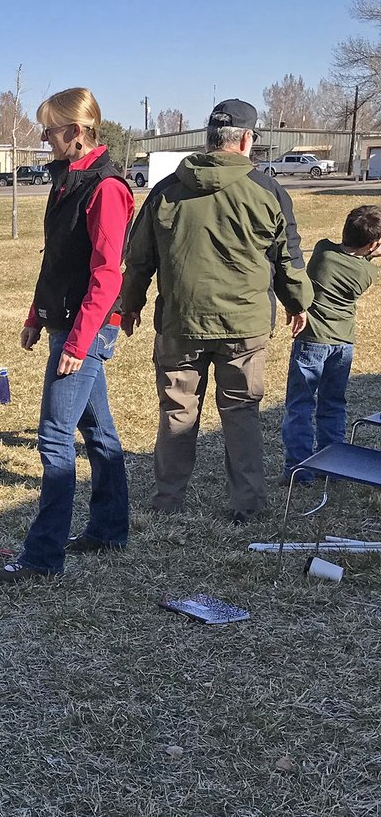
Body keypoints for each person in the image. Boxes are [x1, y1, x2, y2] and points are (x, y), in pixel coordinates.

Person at [121, 99, 314, 524]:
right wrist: (298, 303)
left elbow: (138, 260)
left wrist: (129, 306)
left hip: (179, 322)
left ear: (208, 140)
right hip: (243, 327)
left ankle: (168, 499)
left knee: (177, 411)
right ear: (247, 139)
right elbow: (288, 257)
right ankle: (247, 503)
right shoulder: (267, 191)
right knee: (242, 412)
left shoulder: (166, 189)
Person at [0, 88, 135, 585]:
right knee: (98, 431)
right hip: (65, 321)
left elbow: (106, 274)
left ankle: (42, 556)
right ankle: (110, 528)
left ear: (76, 132)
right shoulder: (67, 181)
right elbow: (57, 257)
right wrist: (37, 314)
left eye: (49, 130)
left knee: (54, 437)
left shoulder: (106, 187)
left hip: (86, 330)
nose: (44, 139)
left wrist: (77, 342)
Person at [282, 204, 381, 478]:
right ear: (372, 245)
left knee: (300, 405)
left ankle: (298, 471)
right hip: (343, 344)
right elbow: (362, 260)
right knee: (333, 404)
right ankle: (332, 465)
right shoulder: (366, 273)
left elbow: (342, 250)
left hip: (311, 340)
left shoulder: (323, 251)